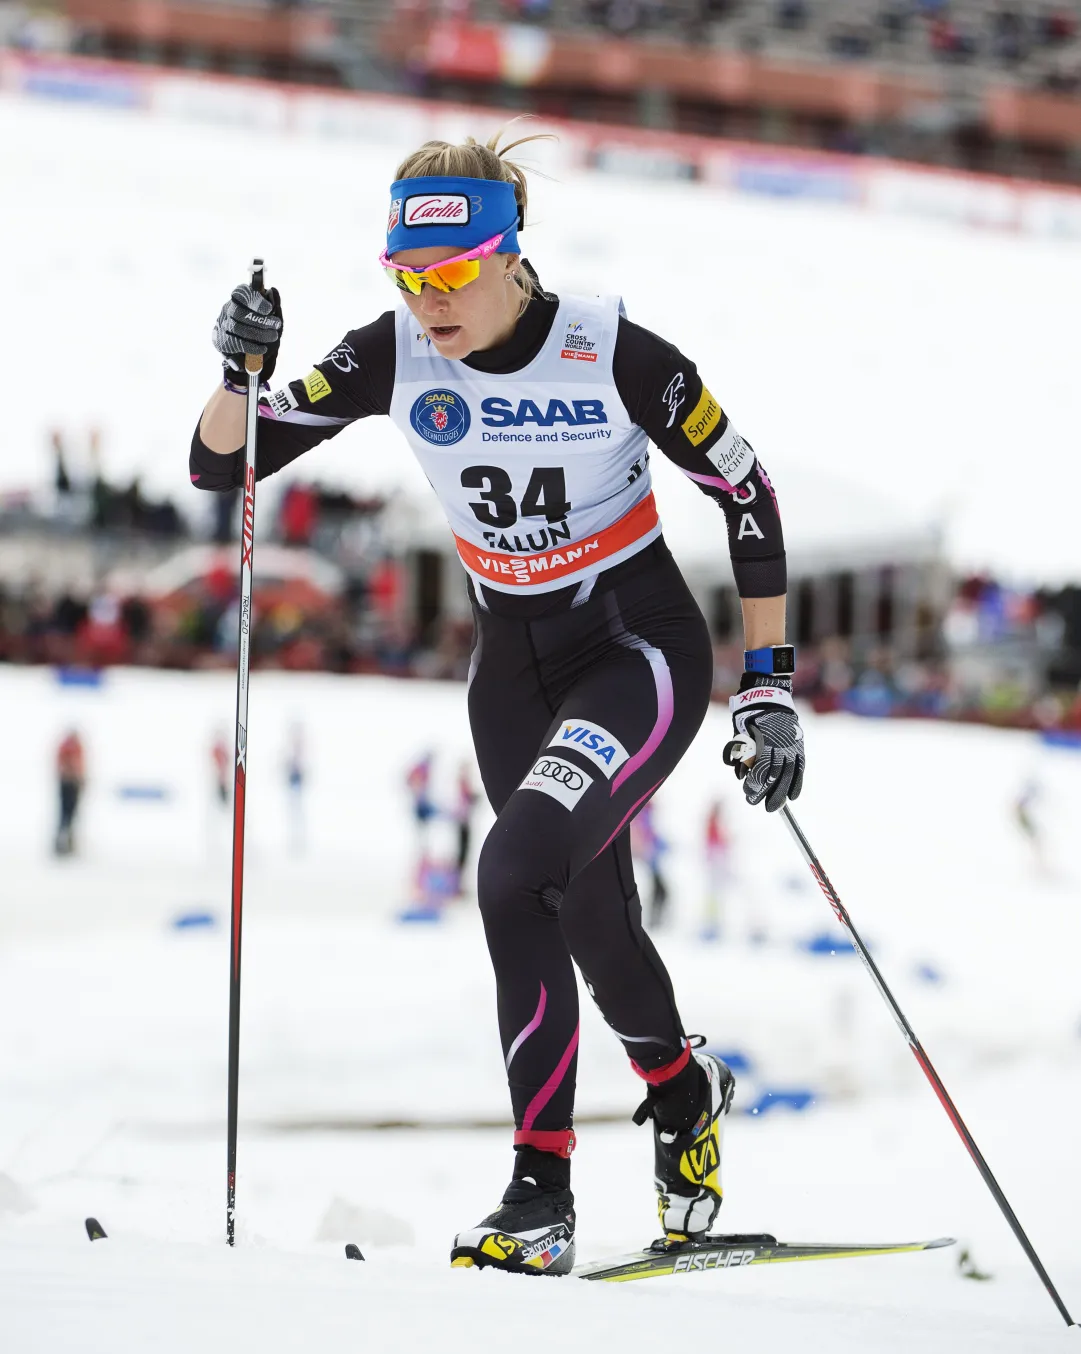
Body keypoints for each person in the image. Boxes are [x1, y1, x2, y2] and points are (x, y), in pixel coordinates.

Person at [189, 127, 805, 1275]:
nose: (432, 302)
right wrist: (240, 372)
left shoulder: (612, 350)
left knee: (511, 870)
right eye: (409, 277)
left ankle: (540, 1190)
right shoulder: (392, 355)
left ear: (512, 254)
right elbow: (224, 465)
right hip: (510, 666)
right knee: (581, 915)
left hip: (636, 648)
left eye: (456, 272)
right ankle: (682, 1094)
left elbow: (747, 488)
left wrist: (767, 686)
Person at [629, 798, 670, 928]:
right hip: (645, 859)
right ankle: (650, 921)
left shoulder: (646, 814)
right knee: (656, 890)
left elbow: (651, 835)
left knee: (660, 891)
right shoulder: (641, 814)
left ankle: (654, 920)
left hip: (651, 860)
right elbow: (640, 836)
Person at [54, 729, 86, 857]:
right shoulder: (66, 747)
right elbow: (62, 764)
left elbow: (80, 765)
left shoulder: (77, 747)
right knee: (65, 814)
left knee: (71, 814)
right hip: (67, 782)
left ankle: (69, 843)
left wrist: (80, 778)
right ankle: (61, 845)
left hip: (73, 782)